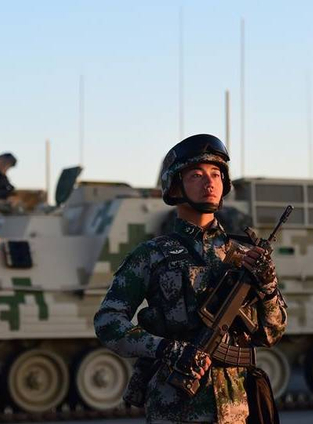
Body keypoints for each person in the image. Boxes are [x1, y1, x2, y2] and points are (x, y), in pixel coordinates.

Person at [94, 134, 287, 423]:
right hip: (175, 408)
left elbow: (272, 333)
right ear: (175, 186)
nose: (209, 182)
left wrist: (268, 288)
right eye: (196, 175)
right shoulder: (151, 255)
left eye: (216, 174)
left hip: (237, 410)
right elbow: (108, 322)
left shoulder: (246, 257)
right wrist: (165, 349)